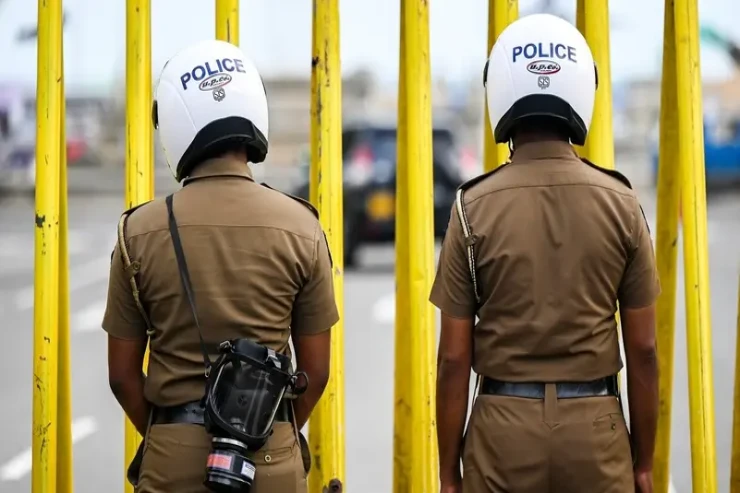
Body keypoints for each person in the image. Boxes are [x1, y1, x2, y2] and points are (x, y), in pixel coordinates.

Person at [431, 13, 660, 493]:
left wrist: (448, 471)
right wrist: (642, 463)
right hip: (595, 431)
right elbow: (643, 349)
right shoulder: (622, 203)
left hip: (501, 433)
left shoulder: (471, 208)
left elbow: (453, 358)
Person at [103, 39, 338, 493]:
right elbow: (317, 371)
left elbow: (121, 376)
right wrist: (263, 425)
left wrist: (173, 435)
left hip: (171, 456)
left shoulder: (138, 232)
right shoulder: (301, 226)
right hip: (269, 455)